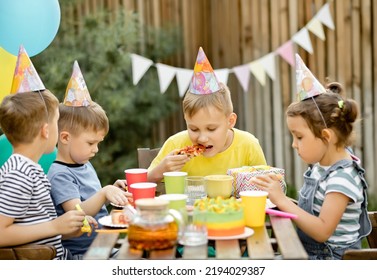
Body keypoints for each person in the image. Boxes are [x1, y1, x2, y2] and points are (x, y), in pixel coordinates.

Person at [250, 54, 372, 260]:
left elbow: (322, 230)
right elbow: (314, 213)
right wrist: (279, 201)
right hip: (309, 254)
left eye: (299, 137)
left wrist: (282, 201)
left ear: (326, 136)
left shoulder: (342, 178)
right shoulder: (321, 167)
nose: (293, 144)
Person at [0, 46, 85, 260]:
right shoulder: (18, 174)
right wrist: (55, 225)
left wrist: (63, 229)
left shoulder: (29, 168)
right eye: (57, 122)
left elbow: (34, 229)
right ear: (46, 131)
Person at [47, 61, 132, 259]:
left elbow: (96, 206)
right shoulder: (59, 174)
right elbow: (79, 213)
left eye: (98, 143)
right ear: (66, 138)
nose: (96, 149)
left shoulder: (84, 164)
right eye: (91, 143)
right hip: (84, 255)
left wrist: (114, 192)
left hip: (104, 245)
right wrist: (104, 193)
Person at [148, 47, 267, 183]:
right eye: (194, 129)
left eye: (211, 129)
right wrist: (160, 171)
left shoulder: (248, 145)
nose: (202, 138)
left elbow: (266, 188)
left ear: (230, 121)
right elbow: (138, 186)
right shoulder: (176, 144)